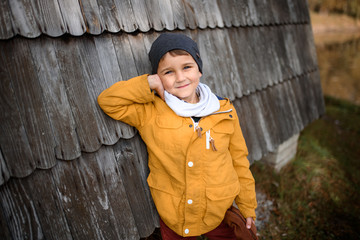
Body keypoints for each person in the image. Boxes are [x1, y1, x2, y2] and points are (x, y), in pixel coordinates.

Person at [97, 33, 257, 239]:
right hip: (176, 213)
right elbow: (108, 101)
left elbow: (239, 161)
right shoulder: (150, 112)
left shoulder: (223, 110)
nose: (180, 78)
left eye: (187, 67)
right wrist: (147, 83)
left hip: (218, 208)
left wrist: (247, 206)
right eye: (168, 72)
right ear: (158, 77)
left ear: (199, 69)